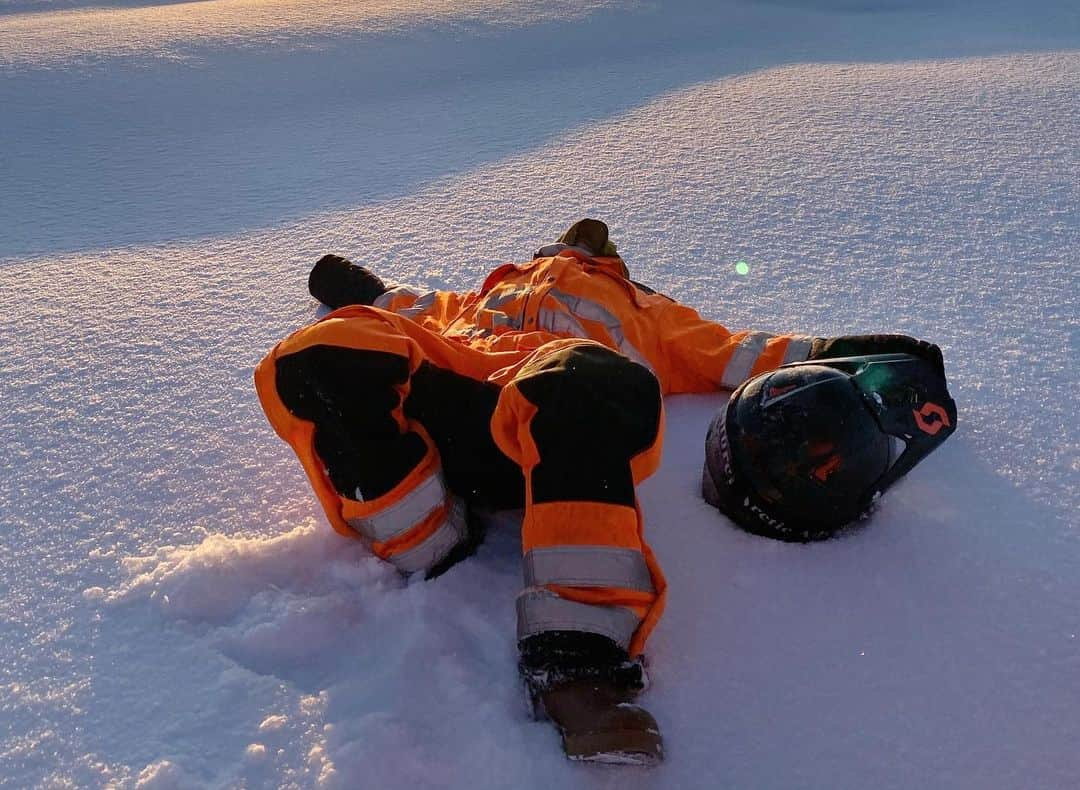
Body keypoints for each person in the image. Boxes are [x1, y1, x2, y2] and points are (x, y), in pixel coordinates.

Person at [255, 219, 956, 764]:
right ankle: (418, 531)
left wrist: (871, 353)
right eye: (568, 242)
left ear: (612, 264)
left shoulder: (643, 310)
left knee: (591, 374)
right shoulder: (485, 292)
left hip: (559, 423)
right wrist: (351, 287)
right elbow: (396, 305)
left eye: (588, 246)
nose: (572, 248)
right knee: (327, 347)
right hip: (462, 412)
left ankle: (578, 658)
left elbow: (744, 352)